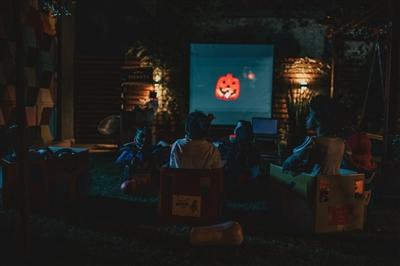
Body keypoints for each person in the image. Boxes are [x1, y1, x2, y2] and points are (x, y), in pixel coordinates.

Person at [282, 95, 346, 176]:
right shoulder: (341, 142)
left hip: (316, 184)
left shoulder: (313, 142)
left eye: (310, 113)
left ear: (318, 118)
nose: (307, 117)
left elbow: (289, 163)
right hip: (333, 185)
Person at [224, 120, 260, 188]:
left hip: (235, 188)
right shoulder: (254, 149)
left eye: (237, 127)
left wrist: (232, 144)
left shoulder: (234, 149)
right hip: (251, 189)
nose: (235, 129)